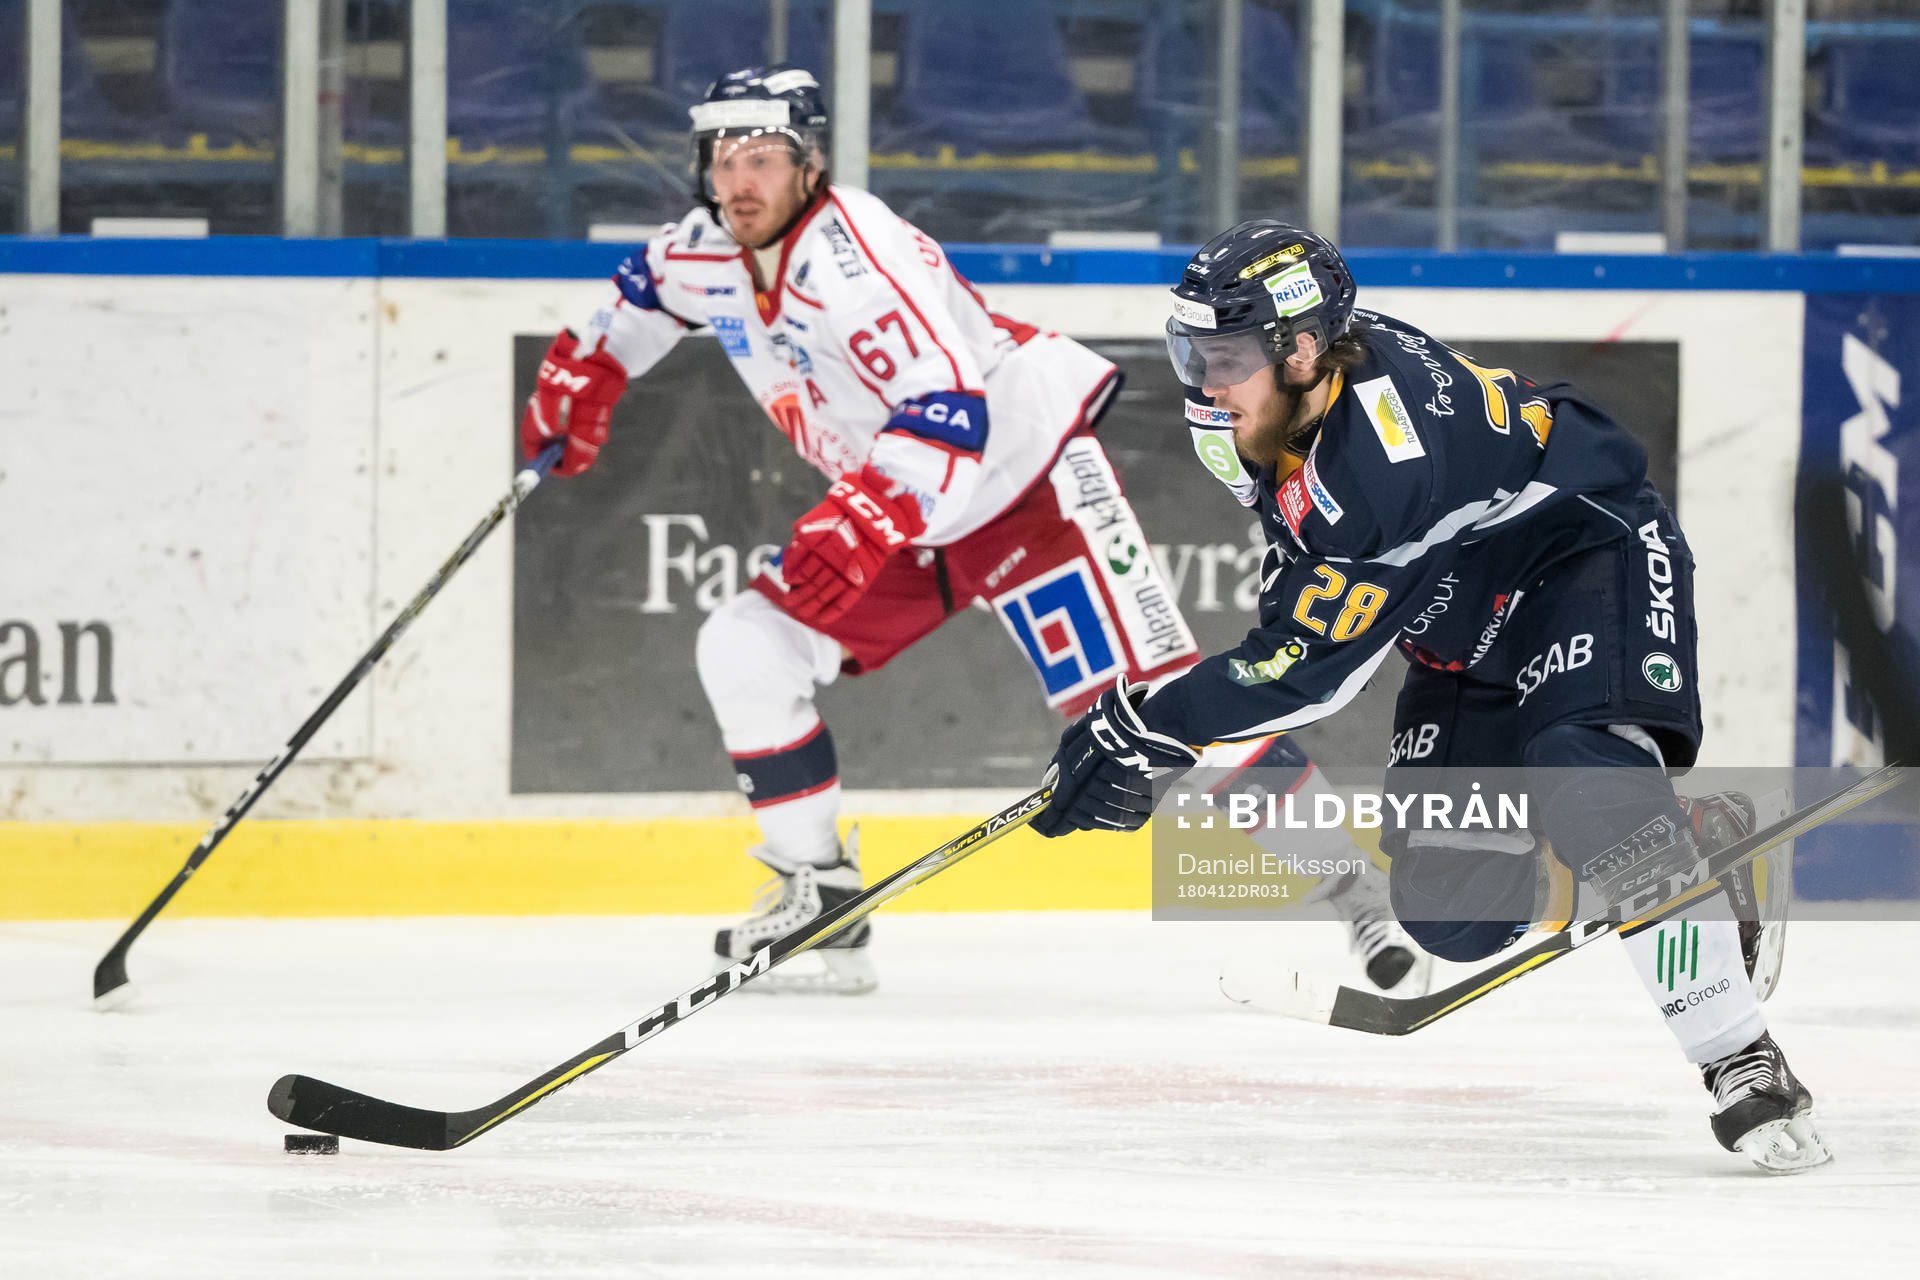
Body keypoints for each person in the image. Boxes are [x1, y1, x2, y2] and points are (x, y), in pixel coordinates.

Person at [517, 67, 1418, 994]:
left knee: (1161, 710)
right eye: (723, 159)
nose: (740, 180)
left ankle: (1360, 895)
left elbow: (948, 410)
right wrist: (586, 368)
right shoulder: (707, 246)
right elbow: (641, 296)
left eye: (764, 159)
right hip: (906, 511)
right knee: (747, 645)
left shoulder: (854, 263)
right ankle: (823, 902)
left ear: (810, 163)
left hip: (1026, 487)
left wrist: (862, 522)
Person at [1032, 219, 1829, 1174]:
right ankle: (1697, 841)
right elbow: (1307, 591)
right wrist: (1154, 724)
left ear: (1300, 351)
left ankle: (1739, 1056)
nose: (1205, 382)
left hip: (1584, 557)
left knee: (1589, 780)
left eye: (1227, 357)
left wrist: (1146, 725)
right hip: (1459, 628)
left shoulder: (1379, 469)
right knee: (1454, 909)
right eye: (1194, 352)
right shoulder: (1303, 398)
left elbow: (1310, 672)